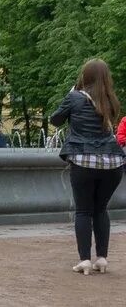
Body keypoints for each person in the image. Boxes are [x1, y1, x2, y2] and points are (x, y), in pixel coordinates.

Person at [49, 58, 124, 275]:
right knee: (101, 209)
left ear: (85, 75)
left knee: (83, 211)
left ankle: (84, 260)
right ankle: (102, 258)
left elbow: (55, 120)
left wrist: (72, 92)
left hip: (83, 160)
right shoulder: (111, 100)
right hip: (113, 162)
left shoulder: (74, 97)